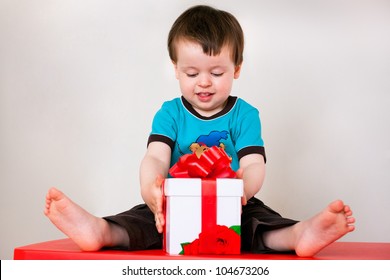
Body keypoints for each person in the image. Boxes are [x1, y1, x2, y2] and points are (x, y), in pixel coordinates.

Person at [44, 5, 355, 257]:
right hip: (177, 202)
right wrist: (151, 191)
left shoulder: (244, 115)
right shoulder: (170, 113)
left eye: (216, 72)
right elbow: (155, 157)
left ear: (236, 68)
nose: (204, 82)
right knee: (144, 222)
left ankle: (301, 234)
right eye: (192, 73)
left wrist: (240, 191)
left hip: (233, 202)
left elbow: (253, 164)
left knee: (258, 225)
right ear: (176, 69)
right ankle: (100, 231)